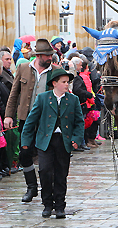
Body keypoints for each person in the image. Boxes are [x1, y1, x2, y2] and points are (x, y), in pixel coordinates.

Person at [21, 68, 84, 218]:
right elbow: (31, 121)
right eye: (63, 82)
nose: (66, 85)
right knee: (45, 171)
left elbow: (79, 122)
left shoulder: (73, 100)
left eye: (67, 82)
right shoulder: (43, 98)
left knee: (61, 174)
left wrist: (76, 139)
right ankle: (47, 204)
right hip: (45, 141)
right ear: (54, 83)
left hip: (64, 140)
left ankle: (60, 206)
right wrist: (25, 142)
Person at [5, 38, 62, 203]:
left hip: (47, 122)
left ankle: (48, 189)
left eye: (51, 55)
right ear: (38, 55)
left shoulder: (55, 71)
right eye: (47, 56)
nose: (50, 58)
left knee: (47, 156)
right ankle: (31, 186)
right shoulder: (23, 68)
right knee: (24, 153)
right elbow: (14, 94)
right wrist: (9, 115)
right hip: (26, 119)